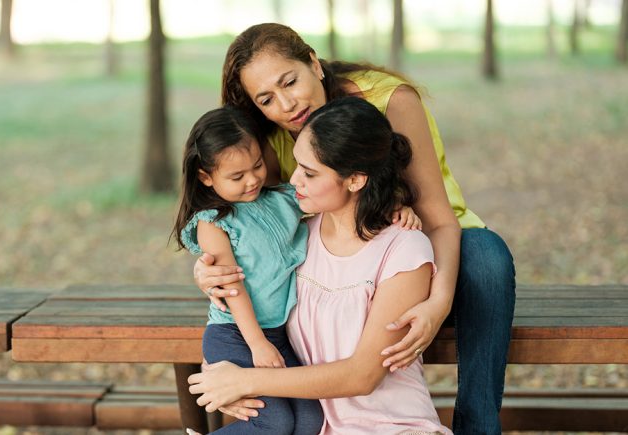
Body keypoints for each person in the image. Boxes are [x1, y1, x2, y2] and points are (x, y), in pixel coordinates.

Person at [193, 23, 516, 435]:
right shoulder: (270, 137)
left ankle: (480, 425)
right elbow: (249, 225)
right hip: (337, 253)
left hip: (429, 240)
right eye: (266, 99)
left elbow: (438, 218)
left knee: (487, 256)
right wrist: (210, 269)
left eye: (290, 82)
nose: (287, 105)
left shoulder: (391, 100)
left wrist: (437, 304)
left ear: (314, 62)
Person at [189, 96, 453, 435]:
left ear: (356, 180)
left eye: (310, 173)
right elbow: (245, 312)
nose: (294, 179)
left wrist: (242, 381)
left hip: (392, 426)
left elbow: (363, 375)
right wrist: (221, 378)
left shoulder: (404, 249)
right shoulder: (297, 239)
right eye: (297, 164)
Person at [172, 105, 325, 434]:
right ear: (206, 177)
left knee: (312, 420)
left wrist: (395, 208)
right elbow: (232, 285)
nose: (253, 179)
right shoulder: (213, 223)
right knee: (275, 422)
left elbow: (334, 201)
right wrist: (256, 343)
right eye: (236, 176)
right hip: (234, 335)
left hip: (279, 335)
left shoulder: (284, 200)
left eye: (256, 166)